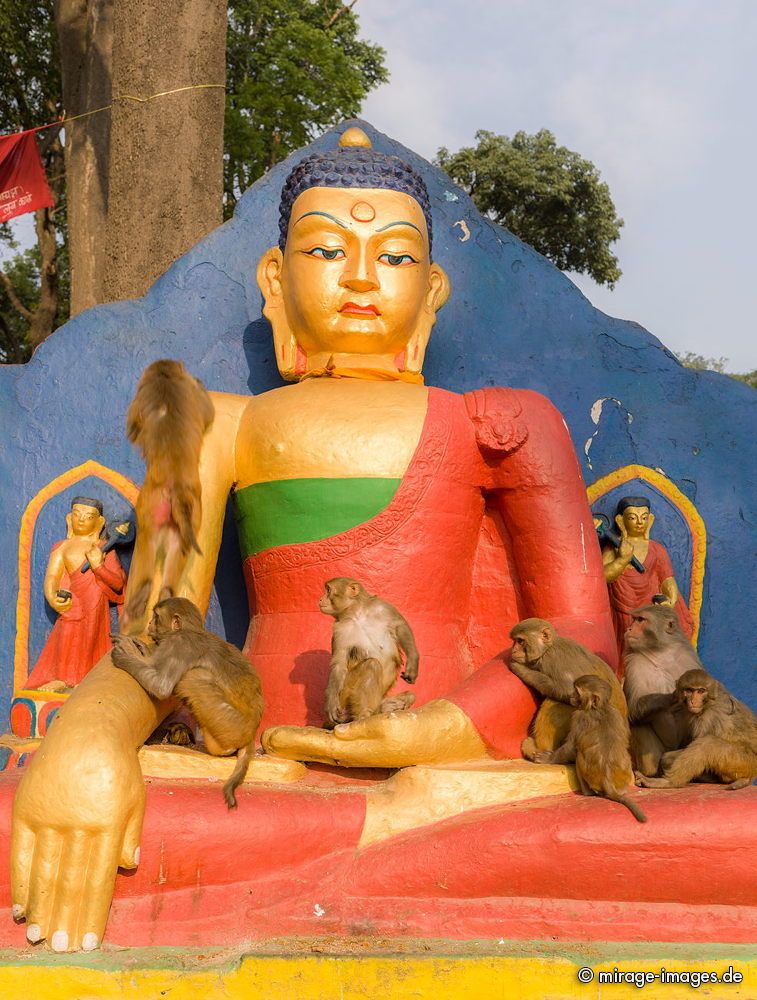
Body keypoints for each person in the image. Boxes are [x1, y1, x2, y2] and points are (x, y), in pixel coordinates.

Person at [9, 128, 622, 952]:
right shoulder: (219, 421)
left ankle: (389, 833)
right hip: (268, 763)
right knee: (37, 811)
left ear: (431, 291)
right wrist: (90, 735)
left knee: (695, 839)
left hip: (462, 762)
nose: (362, 276)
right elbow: (158, 624)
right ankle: (390, 840)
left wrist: (450, 725)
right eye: (328, 248)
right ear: (276, 277)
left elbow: (585, 637)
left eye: (396, 257)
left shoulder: (502, 422)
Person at [25, 498, 127, 690]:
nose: (81, 520)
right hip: (72, 601)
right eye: (77, 515)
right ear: (69, 518)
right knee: (65, 636)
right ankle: (62, 678)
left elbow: (118, 583)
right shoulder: (62, 547)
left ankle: (85, 678)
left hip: (95, 600)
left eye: (88, 517)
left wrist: (98, 567)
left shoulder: (104, 549)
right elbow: (52, 576)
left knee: (91, 635)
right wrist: (52, 595)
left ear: (99, 523)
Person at [602, 495, 693, 650]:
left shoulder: (656, 550)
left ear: (649, 520)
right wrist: (622, 560)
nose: (639, 522)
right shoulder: (613, 547)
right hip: (621, 612)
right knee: (623, 650)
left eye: (643, 518)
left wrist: (670, 601)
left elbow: (667, 580)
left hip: (649, 610)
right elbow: (603, 577)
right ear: (621, 521)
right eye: (632, 517)